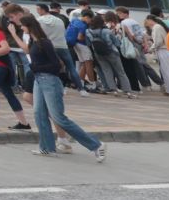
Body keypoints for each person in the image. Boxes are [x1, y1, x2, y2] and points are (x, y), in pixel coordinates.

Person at [20, 12, 105, 162]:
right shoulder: (33, 42)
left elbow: (57, 64)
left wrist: (36, 66)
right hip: (39, 80)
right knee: (39, 113)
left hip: (50, 81)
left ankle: (96, 145)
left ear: (29, 26)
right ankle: (46, 148)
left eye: (22, 25)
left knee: (59, 117)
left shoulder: (44, 42)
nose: (21, 28)